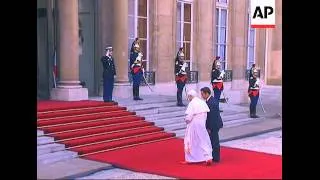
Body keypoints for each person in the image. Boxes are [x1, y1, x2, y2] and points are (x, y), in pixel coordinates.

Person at [182, 89, 213, 166]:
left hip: (193, 125)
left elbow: (189, 117)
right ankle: (207, 157)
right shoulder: (202, 102)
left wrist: (186, 120)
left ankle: (190, 159)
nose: (188, 98)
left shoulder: (192, 103)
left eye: (188, 97)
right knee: (203, 140)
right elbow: (205, 114)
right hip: (202, 125)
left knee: (190, 141)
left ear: (190, 96)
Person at [200, 87, 223, 162]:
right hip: (214, 124)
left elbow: (212, 117)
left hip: (214, 125)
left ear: (207, 93)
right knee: (212, 140)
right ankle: (213, 155)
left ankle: (216, 158)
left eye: (202, 94)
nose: (201, 96)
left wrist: (209, 128)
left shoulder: (211, 103)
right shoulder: (209, 100)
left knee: (214, 141)